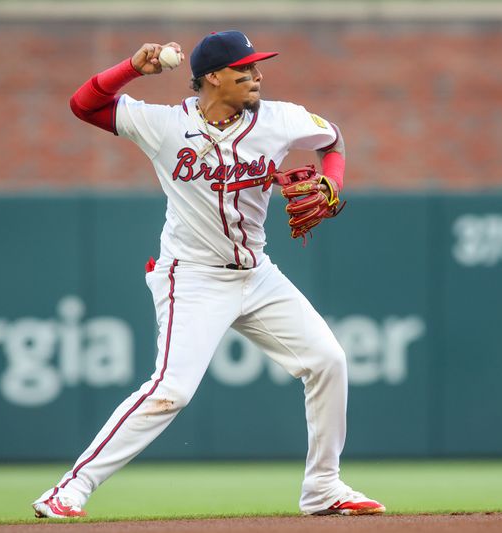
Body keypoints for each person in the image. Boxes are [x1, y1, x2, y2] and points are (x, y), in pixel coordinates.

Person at [32, 30, 385, 518]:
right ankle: (68, 490)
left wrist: (333, 180)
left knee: (328, 361)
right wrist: (132, 69)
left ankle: (323, 488)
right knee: (170, 390)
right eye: (246, 69)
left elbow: (333, 139)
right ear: (214, 77)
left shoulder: (280, 119)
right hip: (192, 277)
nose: (257, 75)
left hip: (258, 274)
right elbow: (84, 105)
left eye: (257, 67)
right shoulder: (163, 125)